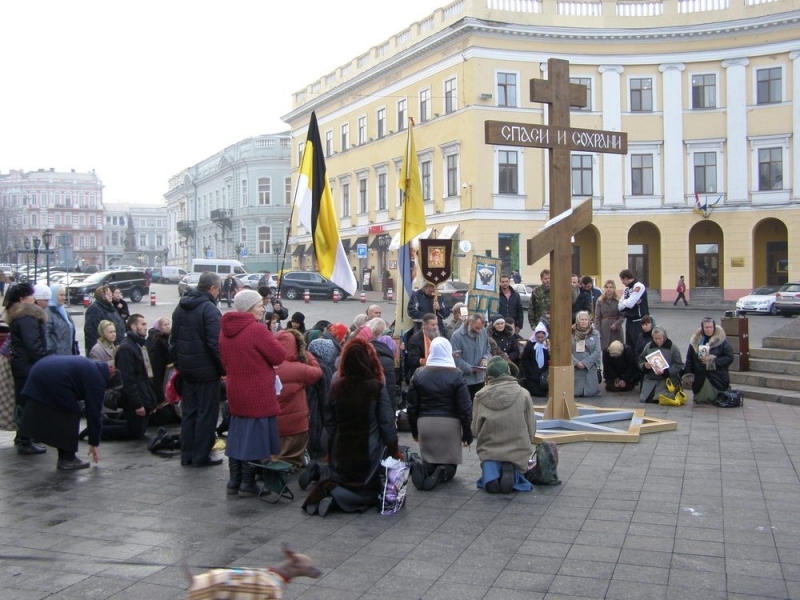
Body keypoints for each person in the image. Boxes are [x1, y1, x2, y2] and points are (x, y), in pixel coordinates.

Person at [302, 338, 398, 517]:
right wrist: (393, 449)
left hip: (342, 444)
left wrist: (333, 442)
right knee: (367, 489)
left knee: (343, 477)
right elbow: (386, 422)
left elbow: (329, 421)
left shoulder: (337, 386)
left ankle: (327, 484)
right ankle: (336, 496)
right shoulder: (375, 387)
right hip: (369, 447)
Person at [219, 289, 286, 497]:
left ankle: (234, 482)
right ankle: (248, 483)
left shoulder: (225, 330)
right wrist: (270, 336)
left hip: (236, 391)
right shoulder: (256, 330)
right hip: (257, 392)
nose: (262, 308)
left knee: (238, 436)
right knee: (255, 440)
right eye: (259, 305)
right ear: (249, 308)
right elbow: (278, 356)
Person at [18, 355, 119, 470]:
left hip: (40, 370)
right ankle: (68, 459)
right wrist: (94, 442)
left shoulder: (93, 367)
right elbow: (94, 413)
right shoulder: (98, 380)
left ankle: (63, 456)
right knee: (71, 414)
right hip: (50, 378)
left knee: (64, 411)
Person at [169, 272, 225, 468]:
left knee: (190, 413)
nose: (219, 293)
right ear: (212, 289)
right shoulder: (209, 309)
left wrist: (179, 365)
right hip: (207, 373)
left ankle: (187, 455)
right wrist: (223, 368)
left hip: (187, 371)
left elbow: (173, 341)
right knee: (206, 414)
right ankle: (201, 456)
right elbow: (215, 344)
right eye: (218, 289)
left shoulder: (181, 306)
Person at [406, 337, 472, 491]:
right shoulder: (456, 374)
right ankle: (442, 472)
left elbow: (412, 406)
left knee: (429, 459)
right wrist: (467, 432)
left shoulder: (419, 373)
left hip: (425, 422)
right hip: (450, 424)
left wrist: (415, 431)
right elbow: (465, 407)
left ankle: (424, 469)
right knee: (450, 464)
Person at [473, 357, 536, 494]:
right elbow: (531, 426)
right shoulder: (524, 394)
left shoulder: (479, 396)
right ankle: (513, 473)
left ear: (489, 376)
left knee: (489, 459)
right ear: (508, 372)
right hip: (518, 448)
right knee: (517, 460)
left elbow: (475, 429)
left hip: (489, 449)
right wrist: (528, 441)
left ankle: (490, 475)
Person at [5, 282, 49, 455]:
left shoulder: (19, 315)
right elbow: (33, 344)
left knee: (23, 401)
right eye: (31, 295)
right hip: (27, 366)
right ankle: (25, 440)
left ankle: (22, 437)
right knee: (27, 402)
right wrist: (44, 358)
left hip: (22, 365)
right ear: (23, 299)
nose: (34, 298)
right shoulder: (26, 317)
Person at [273, 328, 322, 468]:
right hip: (295, 425)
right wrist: (307, 354)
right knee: (291, 455)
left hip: (271, 422)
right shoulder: (298, 368)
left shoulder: (266, 366)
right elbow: (317, 372)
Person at [111, 314, 158, 440]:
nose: (145, 327)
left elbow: (146, 375)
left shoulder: (139, 345)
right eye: (142, 324)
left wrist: (151, 400)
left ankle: (106, 423)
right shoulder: (127, 348)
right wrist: (137, 404)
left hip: (142, 393)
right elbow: (127, 379)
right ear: (133, 326)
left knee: (139, 430)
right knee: (134, 432)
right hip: (134, 397)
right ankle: (99, 430)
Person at [682, 317, 734, 403]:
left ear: (714, 327)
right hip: (699, 375)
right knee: (700, 399)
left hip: (717, 376)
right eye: (706, 327)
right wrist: (689, 375)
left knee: (716, 399)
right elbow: (689, 359)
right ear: (702, 328)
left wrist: (712, 361)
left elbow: (729, 357)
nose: (709, 329)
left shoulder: (721, 341)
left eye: (711, 327)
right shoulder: (695, 341)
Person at [146, 316, 179, 425]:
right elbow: (156, 373)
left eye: (168, 324)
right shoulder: (157, 344)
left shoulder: (168, 340)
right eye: (164, 325)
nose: (168, 327)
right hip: (159, 384)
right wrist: (160, 397)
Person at [638, 325, 684, 403]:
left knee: (662, 398)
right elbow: (641, 359)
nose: (658, 341)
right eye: (655, 339)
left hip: (667, 379)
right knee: (646, 399)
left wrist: (666, 371)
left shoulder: (673, 348)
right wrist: (644, 366)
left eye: (660, 338)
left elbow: (678, 364)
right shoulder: (648, 346)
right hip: (651, 378)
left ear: (664, 337)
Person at [451, 313, 491, 399]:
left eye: (480, 328)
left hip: (480, 379)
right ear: (469, 322)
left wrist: (485, 358)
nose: (478, 331)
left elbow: (487, 349)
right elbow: (456, 360)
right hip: (464, 381)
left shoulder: (483, 331)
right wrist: (471, 369)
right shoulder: (456, 336)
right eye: (476, 328)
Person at [84, 285, 125, 358]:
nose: (110, 295)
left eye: (110, 293)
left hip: (115, 347)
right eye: (107, 294)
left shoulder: (110, 307)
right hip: (103, 351)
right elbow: (91, 332)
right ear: (101, 295)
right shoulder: (95, 308)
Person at [572, 310, 601, 397]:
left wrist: (586, 363)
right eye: (582, 319)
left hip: (590, 367)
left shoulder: (595, 333)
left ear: (589, 321)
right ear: (577, 321)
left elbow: (597, 351)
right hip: (575, 368)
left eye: (586, 319)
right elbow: (567, 351)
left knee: (591, 393)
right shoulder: (571, 333)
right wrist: (576, 363)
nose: (584, 321)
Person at [618, 269, 649, 352]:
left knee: (638, 345)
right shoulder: (626, 290)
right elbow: (620, 307)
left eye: (622, 280)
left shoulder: (639, 286)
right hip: (629, 320)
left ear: (625, 278)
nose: (622, 282)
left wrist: (627, 303)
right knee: (629, 346)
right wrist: (627, 303)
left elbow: (629, 304)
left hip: (639, 320)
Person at [405, 313, 439, 383]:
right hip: (420, 376)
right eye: (432, 325)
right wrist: (431, 361)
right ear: (424, 326)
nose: (435, 327)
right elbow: (413, 360)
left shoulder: (438, 337)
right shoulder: (415, 339)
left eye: (436, 324)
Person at [46, 284, 78, 356]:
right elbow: (46, 336)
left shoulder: (63, 311)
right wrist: (51, 354)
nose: (64, 298)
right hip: (56, 357)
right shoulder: (48, 312)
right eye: (61, 295)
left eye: (65, 295)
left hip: (68, 354)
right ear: (53, 295)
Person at [520, 323, 550, 398]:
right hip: (532, 374)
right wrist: (530, 370)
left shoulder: (547, 344)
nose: (540, 339)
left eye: (542, 337)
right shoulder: (530, 344)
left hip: (544, 374)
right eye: (538, 337)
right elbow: (525, 359)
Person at [593, 279, 624, 351]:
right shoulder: (600, 300)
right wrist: (597, 331)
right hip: (604, 327)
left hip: (616, 328)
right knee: (605, 349)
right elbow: (597, 317)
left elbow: (622, 316)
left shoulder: (618, 300)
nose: (608, 289)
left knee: (617, 349)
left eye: (610, 287)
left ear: (614, 289)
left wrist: (616, 324)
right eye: (607, 287)